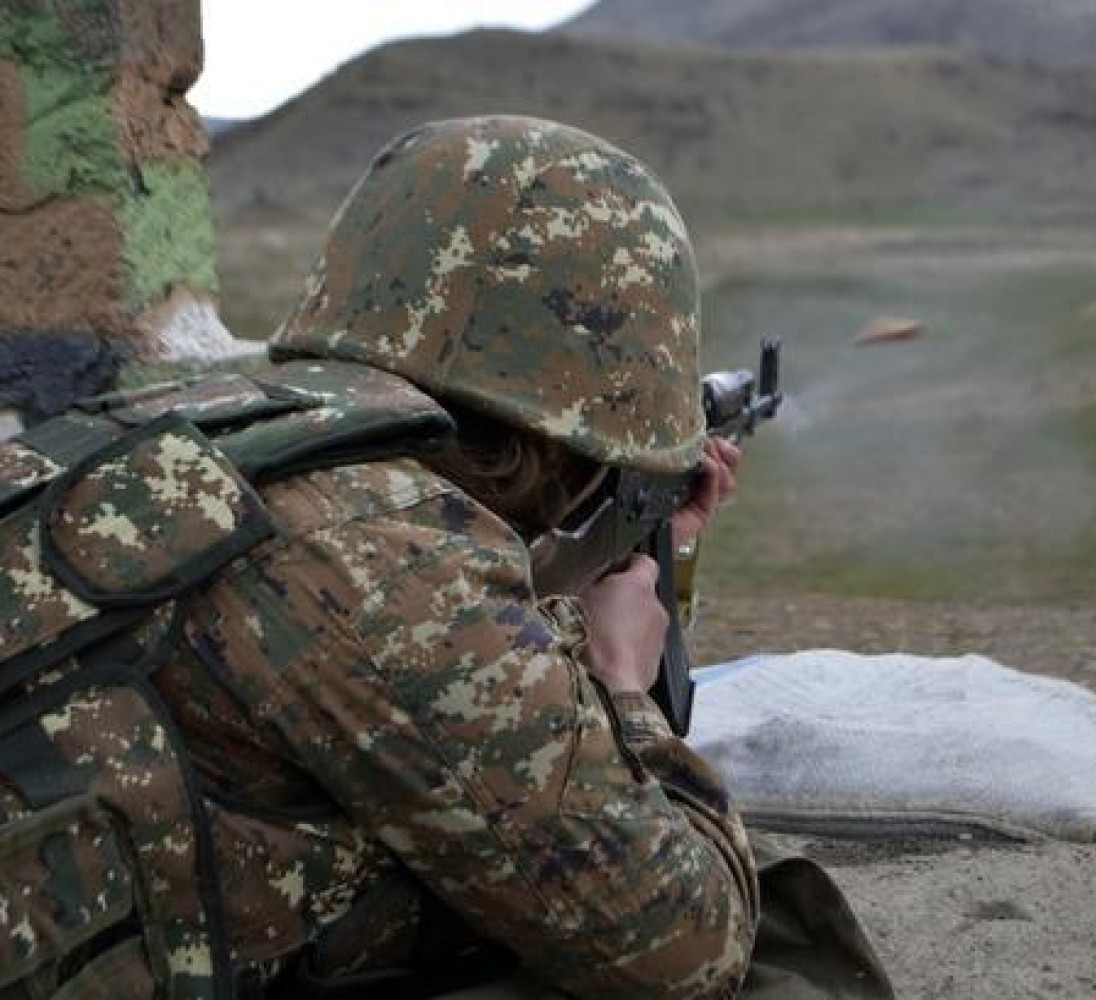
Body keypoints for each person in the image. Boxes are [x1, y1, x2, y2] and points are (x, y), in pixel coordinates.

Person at [141, 115, 764, 998]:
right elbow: (685, 949)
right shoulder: (394, 567)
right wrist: (626, 686)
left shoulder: (233, 432)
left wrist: (653, 548)